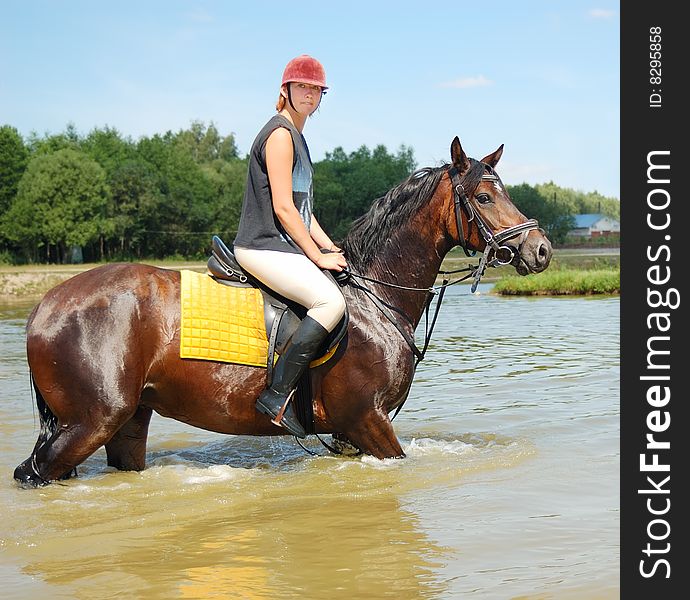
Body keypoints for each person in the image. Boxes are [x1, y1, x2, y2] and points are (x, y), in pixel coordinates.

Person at [233, 55, 348, 438]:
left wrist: (332, 249)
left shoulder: (299, 137)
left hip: (282, 247)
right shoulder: (281, 135)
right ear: (285, 91)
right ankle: (276, 394)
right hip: (263, 246)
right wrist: (316, 256)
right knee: (330, 303)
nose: (310, 95)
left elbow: (304, 210)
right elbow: (283, 208)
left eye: (316, 90)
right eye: (303, 87)